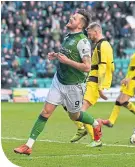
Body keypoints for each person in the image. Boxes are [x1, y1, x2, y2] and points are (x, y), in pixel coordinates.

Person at [14, 9, 103, 155]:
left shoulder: (83, 42)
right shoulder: (68, 37)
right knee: (45, 112)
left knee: (75, 116)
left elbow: (87, 67)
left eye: (74, 18)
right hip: (59, 81)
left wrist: (66, 61)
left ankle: (95, 123)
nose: (70, 18)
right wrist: (56, 56)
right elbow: (68, 55)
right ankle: (28, 145)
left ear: (80, 25)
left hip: (74, 86)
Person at [70, 22, 114, 147]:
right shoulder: (102, 45)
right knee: (76, 109)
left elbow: (103, 68)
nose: (88, 36)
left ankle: (96, 139)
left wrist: (100, 87)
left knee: (80, 111)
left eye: (89, 33)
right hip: (91, 82)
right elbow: (112, 67)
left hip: (94, 84)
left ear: (96, 32)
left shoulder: (102, 46)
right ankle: (92, 136)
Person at [102, 36, 135, 127]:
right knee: (119, 100)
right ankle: (111, 121)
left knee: (122, 100)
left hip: (134, 80)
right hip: (130, 79)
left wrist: (129, 78)